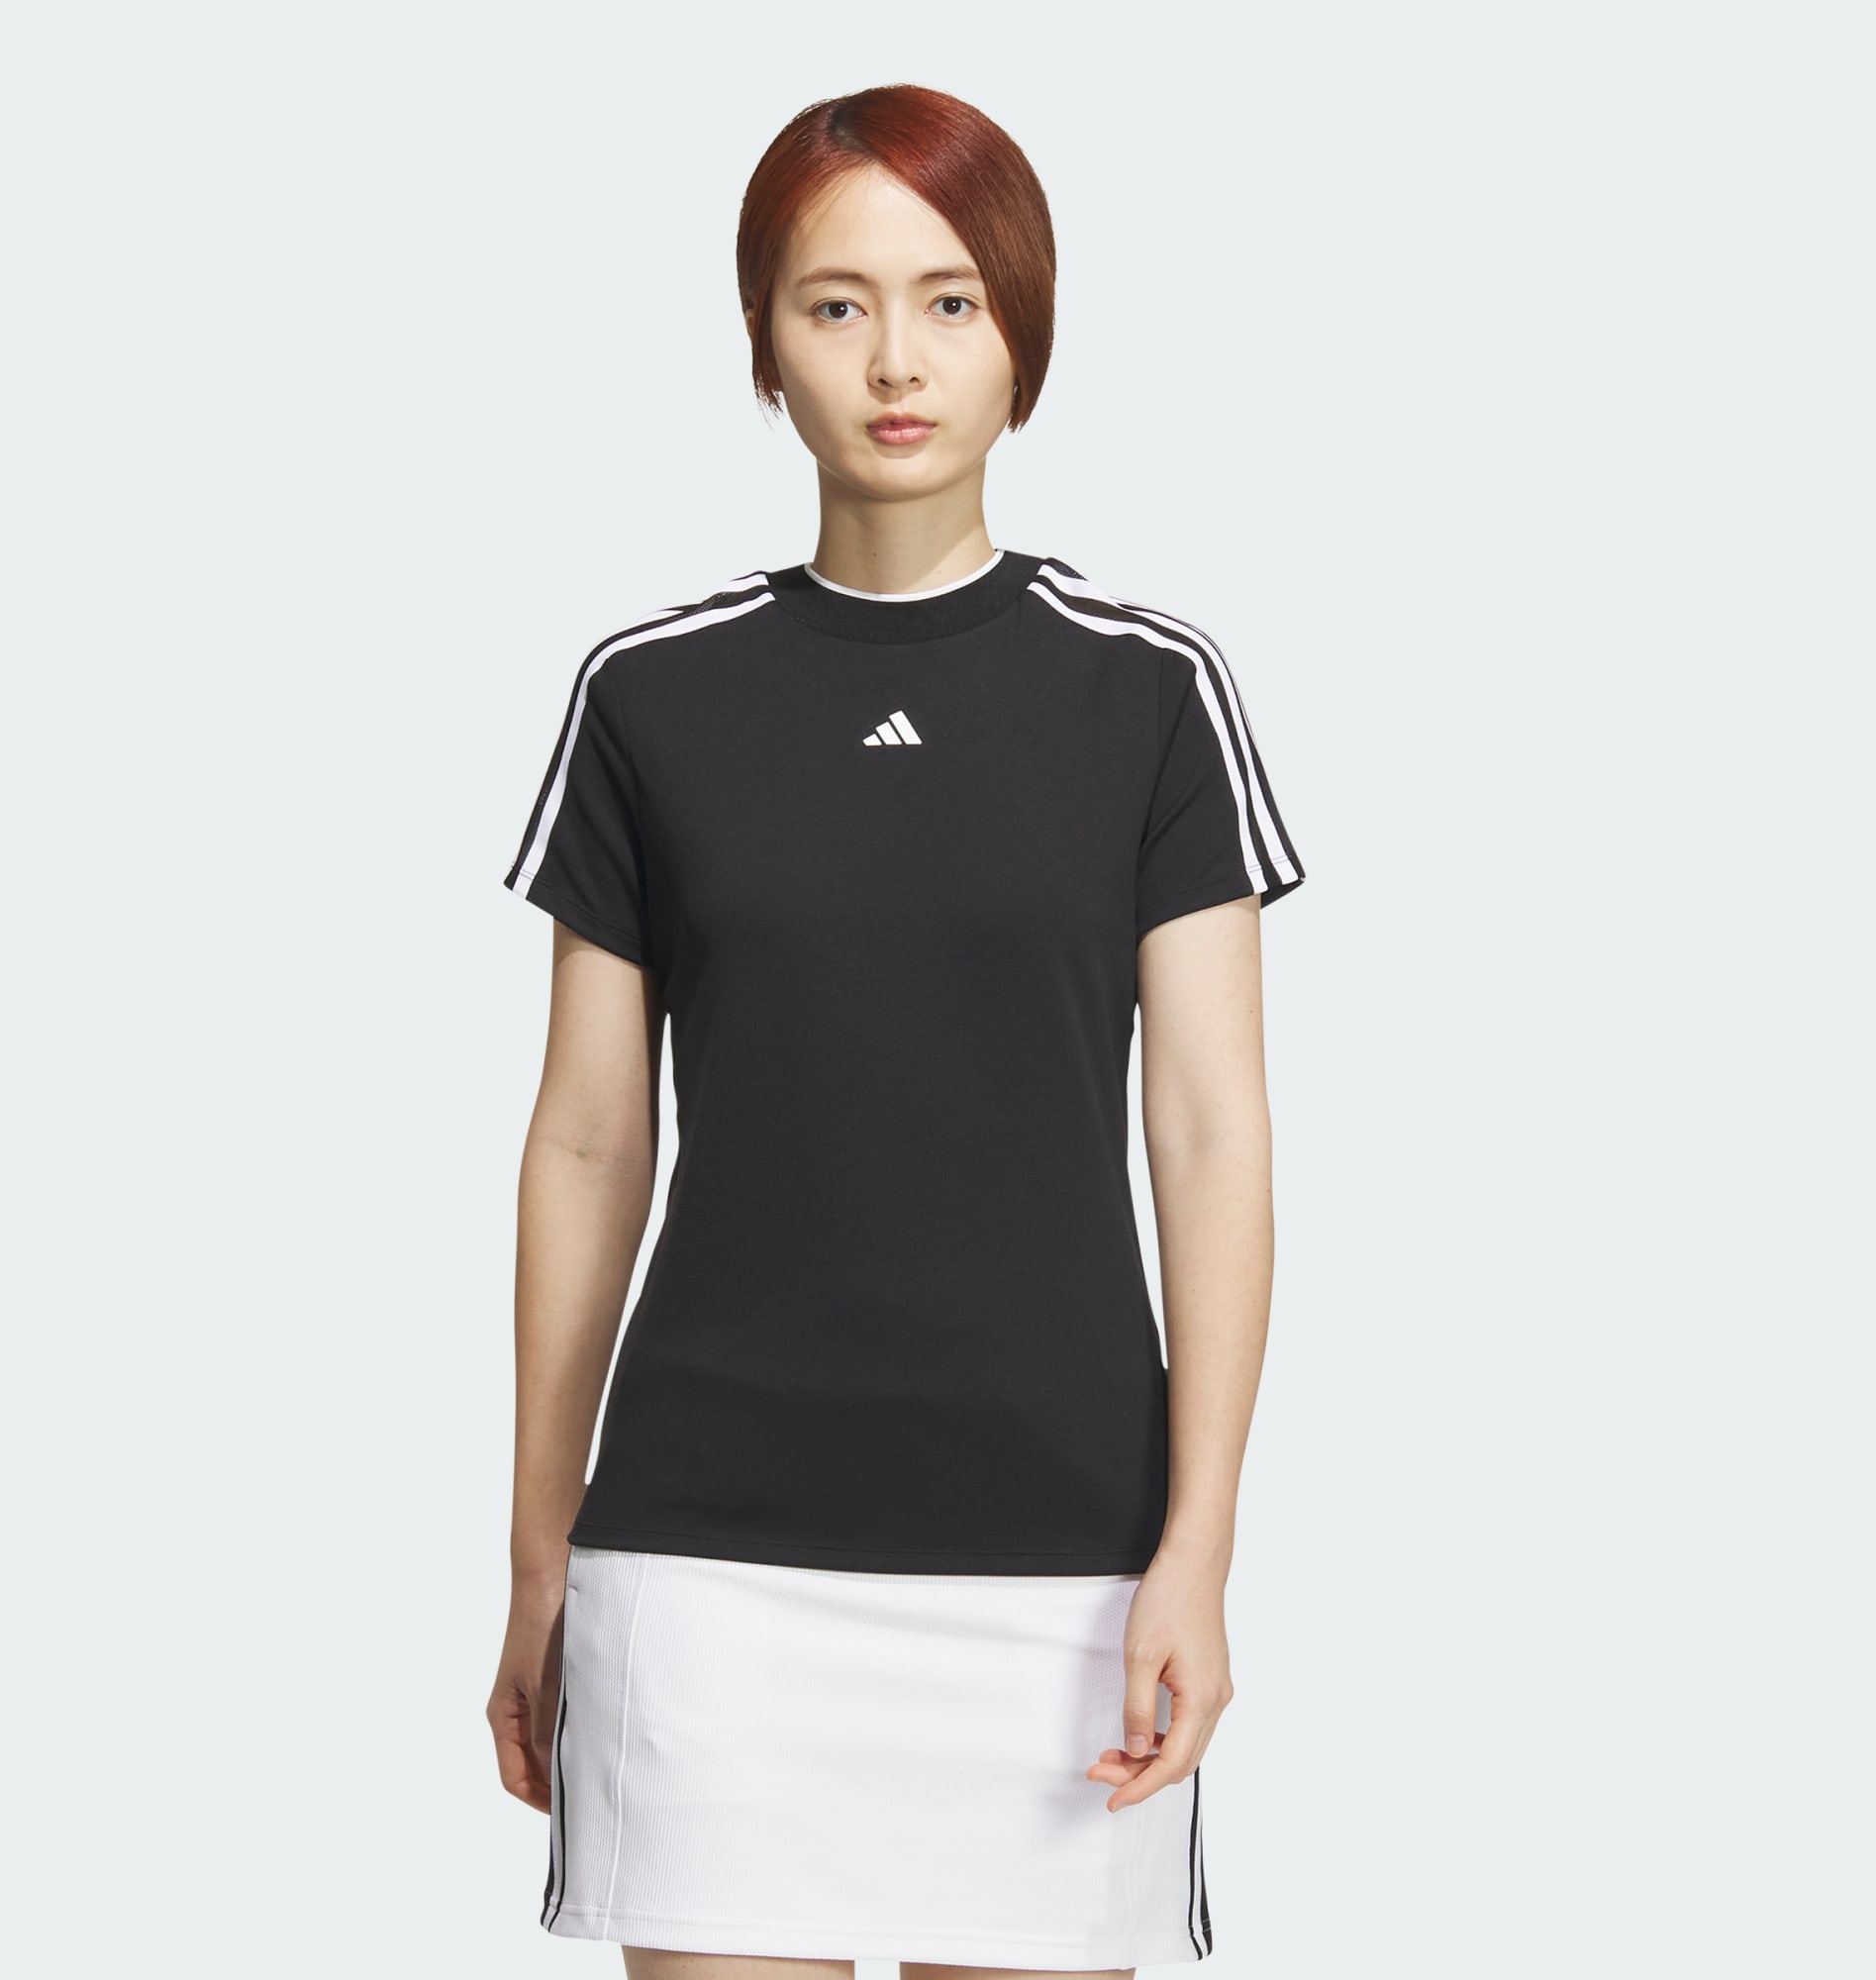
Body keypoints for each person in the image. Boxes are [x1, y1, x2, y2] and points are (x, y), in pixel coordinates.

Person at [485, 81, 1308, 1978]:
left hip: (1065, 1573)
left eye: (951, 300)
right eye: (834, 303)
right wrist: (539, 1554)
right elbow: (588, 1142)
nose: (894, 361)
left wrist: (1199, 1547)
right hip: (706, 1559)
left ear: (1025, 334)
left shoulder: (1150, 695)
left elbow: (1212, 1136)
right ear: (762, 343)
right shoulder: (651, 696)